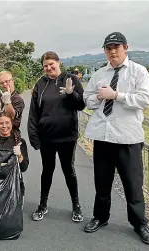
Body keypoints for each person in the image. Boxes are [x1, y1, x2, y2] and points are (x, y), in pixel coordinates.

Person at [83, 32, 149, 245]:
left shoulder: (138, 72)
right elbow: (87, 99)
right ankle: (100, 217)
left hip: (128, 139)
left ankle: (140, 223)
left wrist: (116, 95)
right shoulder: (99, 74)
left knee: (133, 185)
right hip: (103, 137)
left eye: (116, 47)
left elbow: (145, 99)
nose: (112, 51)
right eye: (108, 48)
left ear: (125, 47)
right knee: (102, 183)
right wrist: (98, 96)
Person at [27, 51, 86, 222]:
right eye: (45, 65)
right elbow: (34, 113)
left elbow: (81, 105)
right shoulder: (40, 84)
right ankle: (42, 205)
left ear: (58, 63)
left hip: (67, 136)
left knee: (69, 171)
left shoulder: (71, 80)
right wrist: (34, 137)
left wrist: (70, 94)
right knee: (47, 171)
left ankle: (76, 206)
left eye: (51, 64)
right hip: (47, 137)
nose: (48, 68)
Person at [0, 111, 29, 197]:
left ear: (12, 123)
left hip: (13, 185)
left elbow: (24, 168)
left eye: (7, 123)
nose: (4, 126)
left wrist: (19, 155)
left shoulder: (19, 142)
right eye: (1, 123)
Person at [0, 70, 25, 138]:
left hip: (12, 136)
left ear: (12, 81)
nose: (4, 84)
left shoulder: (18, 100)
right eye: (2, 83)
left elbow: (13, 115)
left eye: (7, 81)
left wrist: (7, 101)